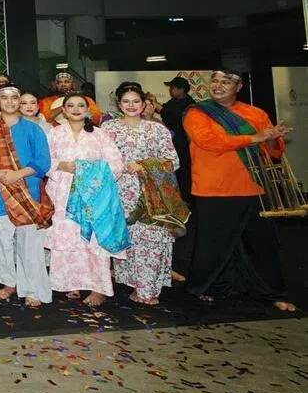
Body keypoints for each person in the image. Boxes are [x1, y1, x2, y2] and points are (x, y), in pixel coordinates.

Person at [182, 68, 296, 312]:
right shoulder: (197, 112)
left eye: (226, 82)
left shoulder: (255, 113)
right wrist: (254, 138)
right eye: (215, 80)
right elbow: (209, 142)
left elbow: (274, 151)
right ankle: (206, 287)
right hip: (213, 189)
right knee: (213, 244)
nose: (218, 85)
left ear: (239, 87)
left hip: (254, 187)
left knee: (262, 244)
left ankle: (271, 291)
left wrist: (272, 138)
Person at [102, 84, 184, 305]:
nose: (131, 106)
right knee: (128, 240)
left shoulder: (157, 129)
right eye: (126, 101)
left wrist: (143, 166)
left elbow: (173, 161)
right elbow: (100, 158)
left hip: (152, 193)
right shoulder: (108, 128)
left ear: (144, 104)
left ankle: (148, 290)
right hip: (120, 191)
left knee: (152, 240)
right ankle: (137, 286)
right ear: (119, 104)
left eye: (136, 101)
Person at [45, 93, 126, 307]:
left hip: (93, 197)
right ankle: (68, 283)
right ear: (63, 110)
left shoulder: (99, 135)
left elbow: (116, 164)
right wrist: (62, 165)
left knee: (93, 241)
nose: (76, 109)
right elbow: (43, 161)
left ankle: (98, 289)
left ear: (88, 110)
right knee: (67, 237)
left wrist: (90, 172)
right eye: (70, 105)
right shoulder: (54, 133)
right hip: (63, 194)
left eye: (81, 105)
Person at [0, 85, 52, 308]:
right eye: (5, 98)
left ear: (19, 101)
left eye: (14, 98)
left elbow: (43, 162)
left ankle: (31, 288)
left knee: (29, 244)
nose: (10, 102)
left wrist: (16, 174)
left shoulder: (33, 129)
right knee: (2, 240)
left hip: (27, 191)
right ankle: (9, 282)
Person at [160, 76, 196, 200]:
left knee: (184, 170)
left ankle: (187, 198)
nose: (171, 90)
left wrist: (160, 108)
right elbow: (166, 110)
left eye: (173, 88)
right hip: (173, 141)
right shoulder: (173, 101)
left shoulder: (189, 104)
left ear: (181, 90)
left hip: (183, 143)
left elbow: (173, 115)